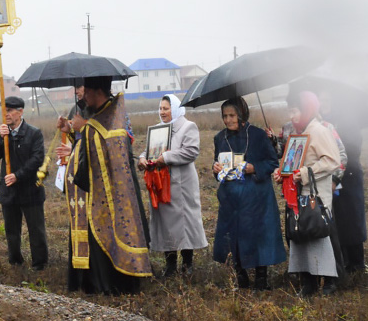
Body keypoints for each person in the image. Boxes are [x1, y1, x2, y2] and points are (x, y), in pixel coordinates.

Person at [63, 76, 152, 295]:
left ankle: (117, 285)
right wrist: (75, 133)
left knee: (114, 234)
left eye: (87, 91)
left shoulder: (111, 117)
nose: (83, 96)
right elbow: (89, 151)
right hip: (97, 192)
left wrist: (84, 129)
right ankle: (96, 284)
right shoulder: (97, 116)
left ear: (97, 91)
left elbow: (110, 152)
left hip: (116, 193)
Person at [212, 97, 286, 290]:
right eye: (225, 116)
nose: (228, 120)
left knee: (259, 235)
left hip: (256, 196)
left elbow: (272, 162)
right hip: (231, 197)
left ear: (242, 115)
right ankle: (240, 275)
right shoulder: (220, 138)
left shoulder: (258, 135)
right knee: (233, 236)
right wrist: (216, 168)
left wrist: (254, 168)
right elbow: (217, 167)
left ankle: (261, 277)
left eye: (232, 115)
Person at [274, 90, 341, 296]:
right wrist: (282, 173)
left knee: (317, 234)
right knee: (300, 235)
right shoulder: (299, 132)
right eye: (290, 111)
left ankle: (329, 281)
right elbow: (293, 161)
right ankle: (308, 281)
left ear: (306, 109)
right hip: (298, 194)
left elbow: (331, 161)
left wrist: (303, 173)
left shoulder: (319, 130)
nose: (292, 116)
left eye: (295, 110)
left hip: (315, 196)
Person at [138, 94, 208, 277]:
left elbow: (191, 152)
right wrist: (143, 159)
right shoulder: (159, 129)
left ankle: (187, 264)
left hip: (181, 186)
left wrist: (166, 158)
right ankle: (170, 265)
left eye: (166, 108)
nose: (162, 112)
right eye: (160, 108)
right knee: (166, 224)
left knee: (184, 224)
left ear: (175, 109)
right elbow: (148, 150)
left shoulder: (187, 127)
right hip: (161, 185)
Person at [0, 96, 48, 270]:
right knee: (11, 230)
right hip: (9, 190)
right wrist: (1, 138)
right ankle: (15, 262)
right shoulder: (1, 131)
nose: (6, 115)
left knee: (36, 230)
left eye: (9, 111)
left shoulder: (34, 133)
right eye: (3, 111)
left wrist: (18, 175)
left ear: (20, 112)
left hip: (30, 189)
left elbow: (37, 159)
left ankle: (40, 264)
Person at [316, 89, 366, 274]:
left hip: (349, 174)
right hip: (329, 177)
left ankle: (357, 262)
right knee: (336, 218)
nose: (324, 103)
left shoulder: (346, 120)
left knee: (352, 218)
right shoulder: (319, 123)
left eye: (327, 99)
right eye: (321, 100)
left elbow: (353, 148)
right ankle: (342, 259)